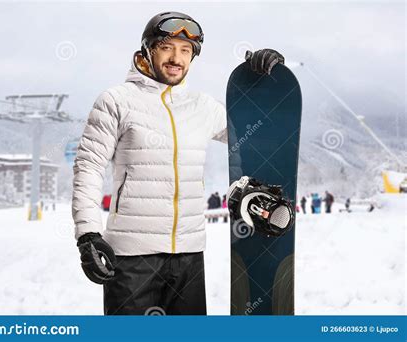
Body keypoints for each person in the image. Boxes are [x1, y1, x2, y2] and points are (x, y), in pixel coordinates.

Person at [72, 11, 285, 315]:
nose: (176, 58)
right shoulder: (116, 101)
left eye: (185, 51)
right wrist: (88, 234)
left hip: (189, 256)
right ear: (148, 49)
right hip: (133, 259)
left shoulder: (203, 107)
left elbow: (255, 133)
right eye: (166, 47)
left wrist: (261, 84)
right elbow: (88, 167)